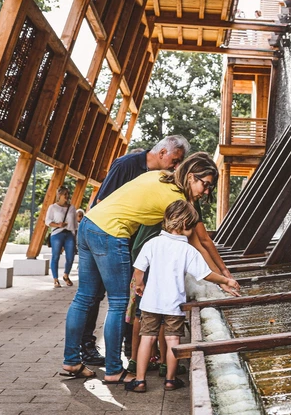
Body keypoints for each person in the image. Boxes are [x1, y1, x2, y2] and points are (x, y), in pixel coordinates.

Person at [60, 152, 233, 383]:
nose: (206, 191)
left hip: (89, 224)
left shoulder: (160, 176)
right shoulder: (176, 201)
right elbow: (198, 243)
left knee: (84, 297)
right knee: (119, 303)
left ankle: (71, 360)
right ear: (192, 176)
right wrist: (223, 278)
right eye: (206, 184)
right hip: (110, 232)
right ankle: (113, 370)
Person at [79, 135, 190, 366]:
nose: (177, 166)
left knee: (130, 300)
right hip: (112, 236)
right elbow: (102, 202)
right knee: (104, 297)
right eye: (175, 160)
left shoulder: (161, 176)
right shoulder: (126, 165)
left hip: (128, 241)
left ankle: (129, 351)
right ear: (162, 153)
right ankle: (92, 351)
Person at [126, 200, 240, 392]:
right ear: (186, 224)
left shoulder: (152, 243)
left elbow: (139, 269)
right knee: (173, 340)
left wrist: (140, 285)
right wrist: (225, 281)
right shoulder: (188, 250)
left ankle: (140, 380)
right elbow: (205, 274)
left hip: (151, 302)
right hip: (174, 304)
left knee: (147, 338)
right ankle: (170, 380)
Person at [46, 187, 78, 288]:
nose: (67, 196)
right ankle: (55, 279)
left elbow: (75, 224)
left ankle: (66, 275)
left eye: (68, 194)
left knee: (70, 257)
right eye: (65, 194)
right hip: (57, 234)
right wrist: (58, 225)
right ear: (59, 195)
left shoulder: (72, 208)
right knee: (55, 256)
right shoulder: (53, 207)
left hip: (69, 234)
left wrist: (75, 236)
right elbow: (47, 221)